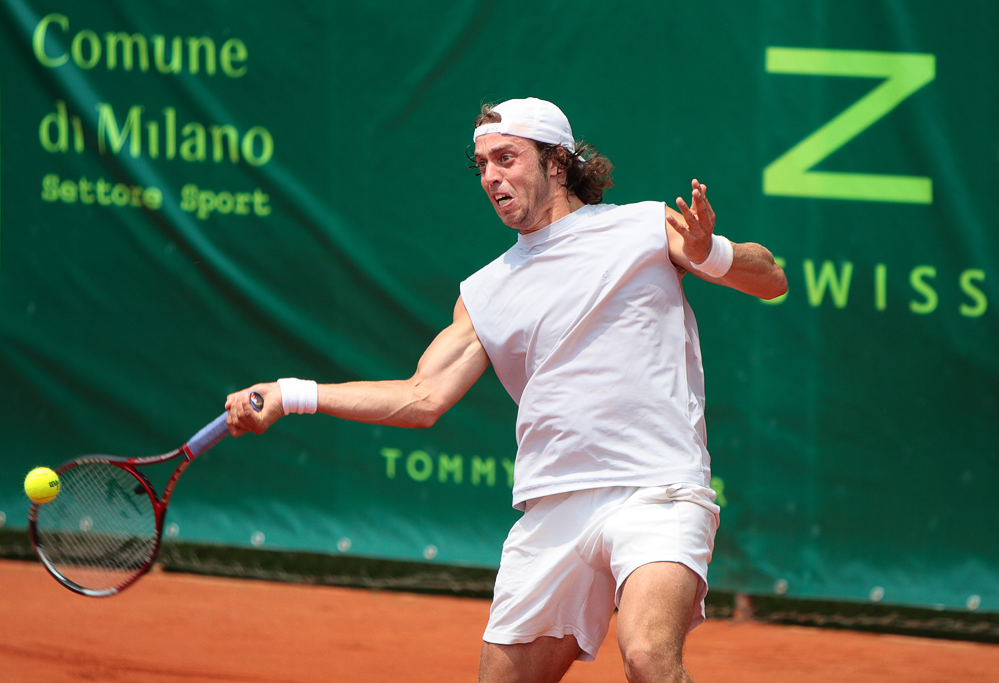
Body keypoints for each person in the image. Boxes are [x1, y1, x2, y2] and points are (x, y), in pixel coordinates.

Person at [226, 97, 787, 683]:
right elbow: (422, 397)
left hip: (658, 488)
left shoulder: (643, 228)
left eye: (506, 157)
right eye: (482, 165)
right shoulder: (486, 292)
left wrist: (709, 252)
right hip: (553, 506)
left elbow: (770, 277)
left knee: (648, 655)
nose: (491, 176)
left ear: (557, 165)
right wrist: (292, 394)